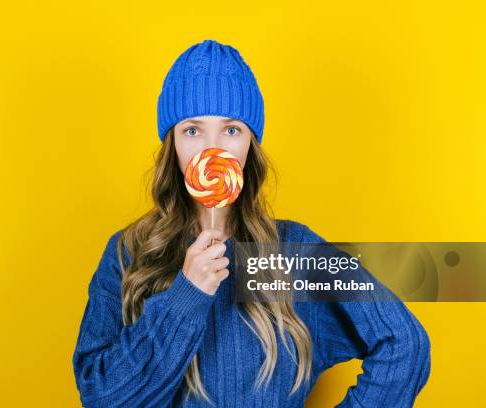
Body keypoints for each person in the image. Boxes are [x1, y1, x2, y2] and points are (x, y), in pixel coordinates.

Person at [72, 39, 431, 407]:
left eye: (231, 130)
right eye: (192, 131)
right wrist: (187, 294)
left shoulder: (292, 253)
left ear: (250, 145)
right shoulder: (128, 253)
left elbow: (406, 344)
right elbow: (101, 398)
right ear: (173, 145)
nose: (213, 150)